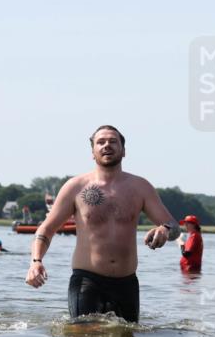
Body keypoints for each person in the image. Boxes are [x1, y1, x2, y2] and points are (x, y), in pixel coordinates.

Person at [25, 125, 179, 323]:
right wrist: (36, 262)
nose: (107, 145)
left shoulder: (141, 187)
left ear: (124, 151)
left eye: (113, 141)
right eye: (101, 142)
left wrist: (164, 229)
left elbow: (174, 227)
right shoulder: (76, 187)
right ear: (92, 152)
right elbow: (46, 229)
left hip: (127, 283)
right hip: (87, 282)